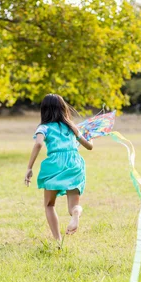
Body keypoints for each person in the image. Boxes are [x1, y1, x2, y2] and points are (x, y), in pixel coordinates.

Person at [24, 94, 93, 245]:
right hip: (74, 163)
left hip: (55, 164)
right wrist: (89, 138)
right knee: (73, 206)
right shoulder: (72, 127)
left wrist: (29, 167)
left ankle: (58, 241)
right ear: (63, 109)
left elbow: (38, 144)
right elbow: (89, 146)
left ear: (43, 110)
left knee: (49, 204)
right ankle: (75, 214)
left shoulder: (43, 127)